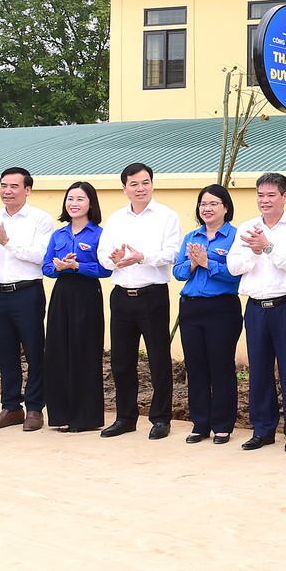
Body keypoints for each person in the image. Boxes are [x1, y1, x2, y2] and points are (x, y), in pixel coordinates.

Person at [98, 162, 184, 440]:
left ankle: (161, 418)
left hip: (152, 296)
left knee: (158, 359)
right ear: (124, 188)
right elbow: (102, 253)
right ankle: (125, 417)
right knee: (121, 361)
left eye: (145, 182)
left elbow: (172, 253)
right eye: (133, 184)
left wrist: (142, 257)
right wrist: (111, 259)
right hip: (121, 295)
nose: (140, 188)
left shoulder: (167, 216)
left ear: (152, 184)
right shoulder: (115, 219)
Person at [227, 172, 286, 452]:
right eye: (260, 195)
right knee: (259, 371)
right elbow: (233, 266)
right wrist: (254, 250)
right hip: (255, 309)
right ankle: (263, 429)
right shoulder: (246, 227)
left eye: (271, 195)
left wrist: (267, 247)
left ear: (285, 197)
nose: (264, 200)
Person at [0, 167, 53, 431]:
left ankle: (34, 409)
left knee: (34, 352)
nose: (7, 191)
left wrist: (7, 243)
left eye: (14, 186)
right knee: (5, 354)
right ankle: (10, 408)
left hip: (27, 293)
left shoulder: (40, 219)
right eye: (3, 185)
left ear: (27, 190)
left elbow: (41, 256)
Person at [172, 184, 242, 445]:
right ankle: (200, 423)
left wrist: (207, 263)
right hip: (191, 307)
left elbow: (236, 273)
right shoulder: (192, 236)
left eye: (214, 203)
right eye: (203, 204)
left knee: (221, 365)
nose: (207, 208)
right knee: (196, 366)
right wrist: (192, 262)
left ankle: (223, 424)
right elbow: (178, 272)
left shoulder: (236, 236)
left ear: (226, 207)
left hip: (222, 308)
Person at [41, 182, 111, 432]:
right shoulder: (58, 235)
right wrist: (59, 267)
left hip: (87, 294)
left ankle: (85, 418)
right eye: (70, 198)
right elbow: (46, 268)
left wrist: (78, 266)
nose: (74, 203)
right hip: (62, 294)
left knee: (85, 352)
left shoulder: (100, 234)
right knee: (58, 352)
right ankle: (61, 415)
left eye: (80, 199)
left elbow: (106, 268)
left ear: (91, 203)